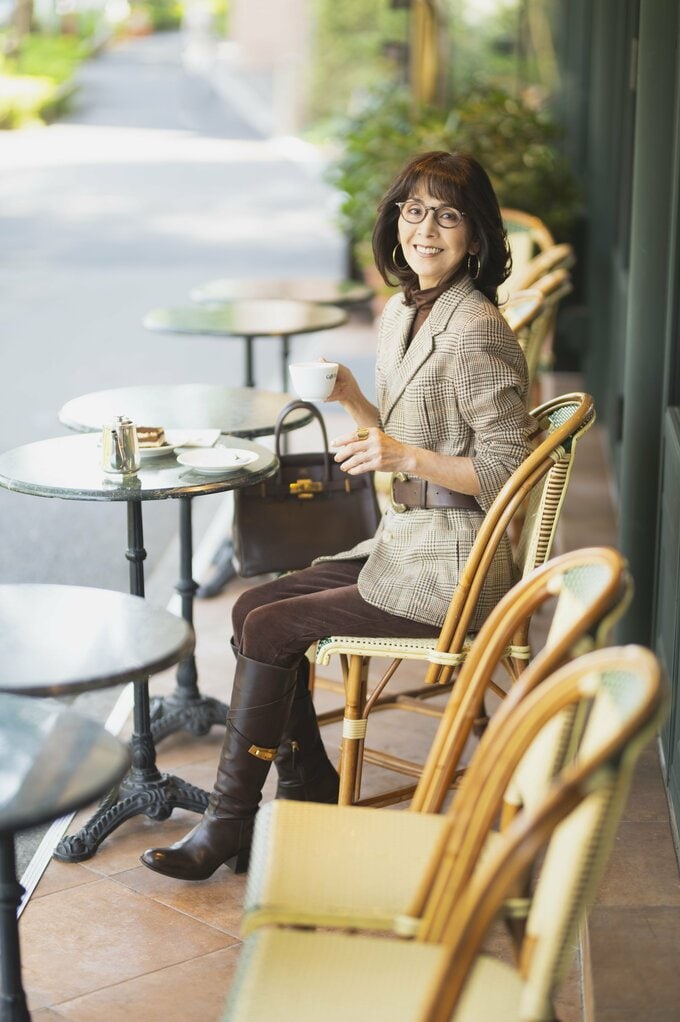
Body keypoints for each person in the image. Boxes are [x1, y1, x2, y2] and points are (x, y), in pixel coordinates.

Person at [141, 150, 537, 881]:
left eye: (448, 215)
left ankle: (231, 825)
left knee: (264, 625)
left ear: (475, 238)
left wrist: (404, 459)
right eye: (414, 210)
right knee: (252, 605)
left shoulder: (478, 328)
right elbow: (410, 430)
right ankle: (304, 787)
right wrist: (356, 400)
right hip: (405, 542)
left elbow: (510, 474)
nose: (426, 228)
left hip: (455, 567)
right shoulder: (403, 311)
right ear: (395, 222)